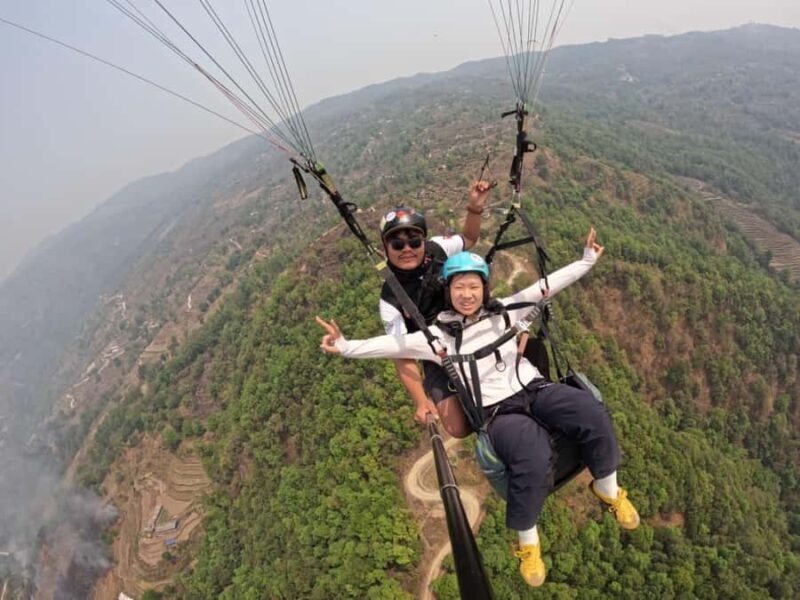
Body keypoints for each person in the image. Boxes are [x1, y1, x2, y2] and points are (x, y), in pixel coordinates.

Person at [316, 228, 639, 588]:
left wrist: (586, 260)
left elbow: (548, 285)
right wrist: (345, 346)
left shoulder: (506, 312)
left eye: (473, 286)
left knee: (589, 410)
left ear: (484, 288)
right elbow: (389, 346)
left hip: (534, 387)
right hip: (499, 412)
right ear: (448, 293)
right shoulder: (435, 337)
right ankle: (528, 542)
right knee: (531, 455)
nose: (467, 294)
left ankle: (608, 490)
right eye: (458, 288)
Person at [378, 180, 492, 437]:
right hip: (437, 353)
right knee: (457, 428)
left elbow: (470, 238)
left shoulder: (438, 247)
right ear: (385, 248)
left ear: (423, 240)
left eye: (414, 241)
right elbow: (402, 354)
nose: (407, 249)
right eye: (397, 244)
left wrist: (474, 209)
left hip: (471, 325)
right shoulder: (390, 298)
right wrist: (421, 400)